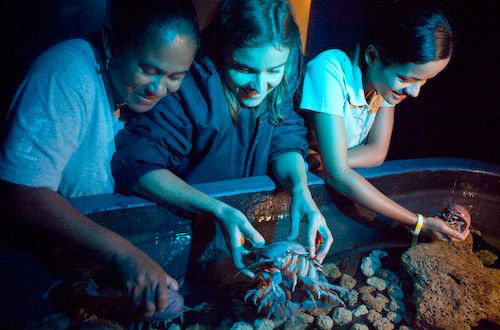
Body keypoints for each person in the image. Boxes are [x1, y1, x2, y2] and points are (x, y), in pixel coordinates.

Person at [0, 0, 199, 318]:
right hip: (32, 274)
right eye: (148, 69)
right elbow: (21, 191)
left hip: (86, 271)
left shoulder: (143, 97)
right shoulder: (65, 75)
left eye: (175, 75)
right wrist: (124, 255)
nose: (158, 87)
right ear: (111, 41)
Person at [111, 0, 334, 278]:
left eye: (274, 71)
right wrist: (215, 208)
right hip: (181, 234)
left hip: (248, 232)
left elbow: (285, 139)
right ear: (222, 50)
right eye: (244, 69)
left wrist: (300, 188)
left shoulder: (284, 76)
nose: (259, 86)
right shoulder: (189, 85)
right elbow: (138, 166)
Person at [300, 1, 469, 241]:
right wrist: (417, 222)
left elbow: (377, 151)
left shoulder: (384, 86)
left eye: (424, 81)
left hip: (332, 185)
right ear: (372, 56)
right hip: (295, 192)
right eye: (406, 78)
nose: (414, 93)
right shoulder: (329, 71)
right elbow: (339, 174)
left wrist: (325, 160)